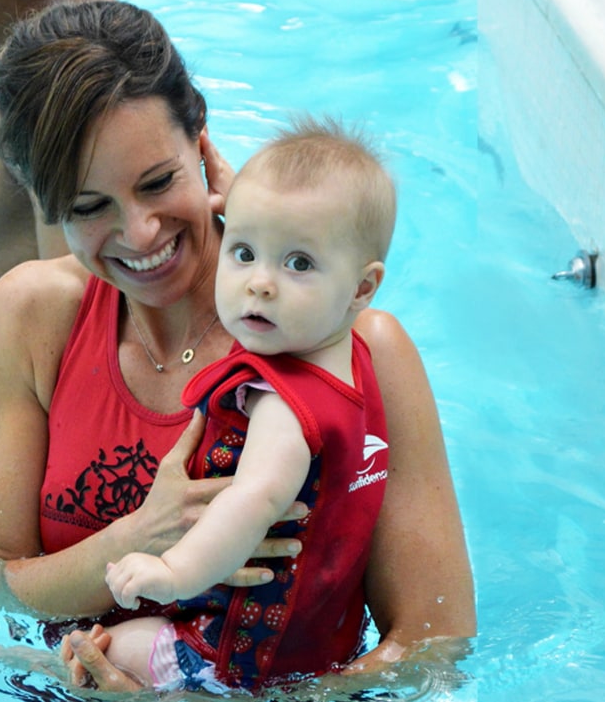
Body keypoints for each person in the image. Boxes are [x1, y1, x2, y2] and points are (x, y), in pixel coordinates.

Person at [0, 0, 475, 693]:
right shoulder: (32, 315)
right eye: (90, 207)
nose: (141, 233)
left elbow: (430, 649)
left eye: (158, 182)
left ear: (201, 140)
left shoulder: (356, 353)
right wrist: (134, 540)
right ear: (45, 207)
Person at [97, 116, 393, 691]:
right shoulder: (348, 362)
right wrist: (267, 220)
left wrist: (171, 571)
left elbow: (253, 499)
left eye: (298, 263)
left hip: (234, 661)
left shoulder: (283, 408)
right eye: (244, 252)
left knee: (114, 646)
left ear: (361, 289)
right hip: (319, 644)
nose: (260, 283)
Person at [0, 0, 113, 374]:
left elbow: (73, 339)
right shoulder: (4, 41)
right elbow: (6, 180)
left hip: (9, 397)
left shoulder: (55, 80)